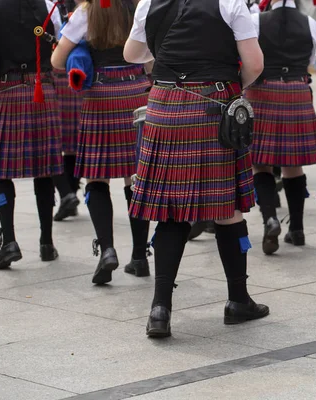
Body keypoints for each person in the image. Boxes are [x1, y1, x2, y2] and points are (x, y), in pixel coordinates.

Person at [124, 0, 269, 338]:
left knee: (171, 210)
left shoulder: (150, 2)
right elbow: (255, 64)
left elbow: (132, 54)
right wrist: (233, 87)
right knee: (228, 207)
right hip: (213, 103)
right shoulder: (231, 3)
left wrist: (161, 56)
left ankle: (160, 309)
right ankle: (238, 300)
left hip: (164, 105)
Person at [51, 0, 152, 284]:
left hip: (101, 95)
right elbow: (152, 57)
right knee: (135, 177)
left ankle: (107, 249)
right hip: (136, 91)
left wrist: (82, 48)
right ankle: (140, 256)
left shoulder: (86, 12)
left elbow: (58, 61)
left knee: (98, 177)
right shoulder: (139, 6)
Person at [246, 0, 316, 255]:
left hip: (263, 91)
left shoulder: (256, 20)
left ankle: (270, 219)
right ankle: (298, 229)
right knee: (293, 164)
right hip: (297, 88)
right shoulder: (310, 23)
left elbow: (250, 59)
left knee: (260, 162)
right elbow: (313, 58)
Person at [0, 0, 64, 270]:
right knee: (44, 168)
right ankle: (46, 242)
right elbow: (57, 46)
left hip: (10, 89)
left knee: (0, 172)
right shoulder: (48, 6)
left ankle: (9, 241)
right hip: (42, 88)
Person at [52, 0, 83, 222]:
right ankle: (69, 196)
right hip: (78, 73)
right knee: (71, 145)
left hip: (56, 73)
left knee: (52, 145)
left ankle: (68, 194)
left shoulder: (51, 6)